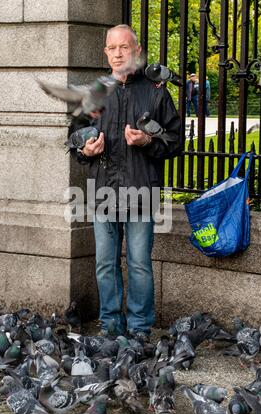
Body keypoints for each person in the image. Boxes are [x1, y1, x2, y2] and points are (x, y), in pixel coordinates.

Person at [70, 25, 181, 340]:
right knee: (105, 263)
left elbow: (175, 142)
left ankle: (140, 328)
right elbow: (74, 136)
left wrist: (148, 140)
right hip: (103, 191)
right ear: (106, 53)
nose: (118, 53)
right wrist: (85, 148)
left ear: (137, 49)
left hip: (141, 191)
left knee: (139, 264)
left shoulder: (156, 91)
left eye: (124, 47)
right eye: (112, 48)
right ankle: (110, 324)